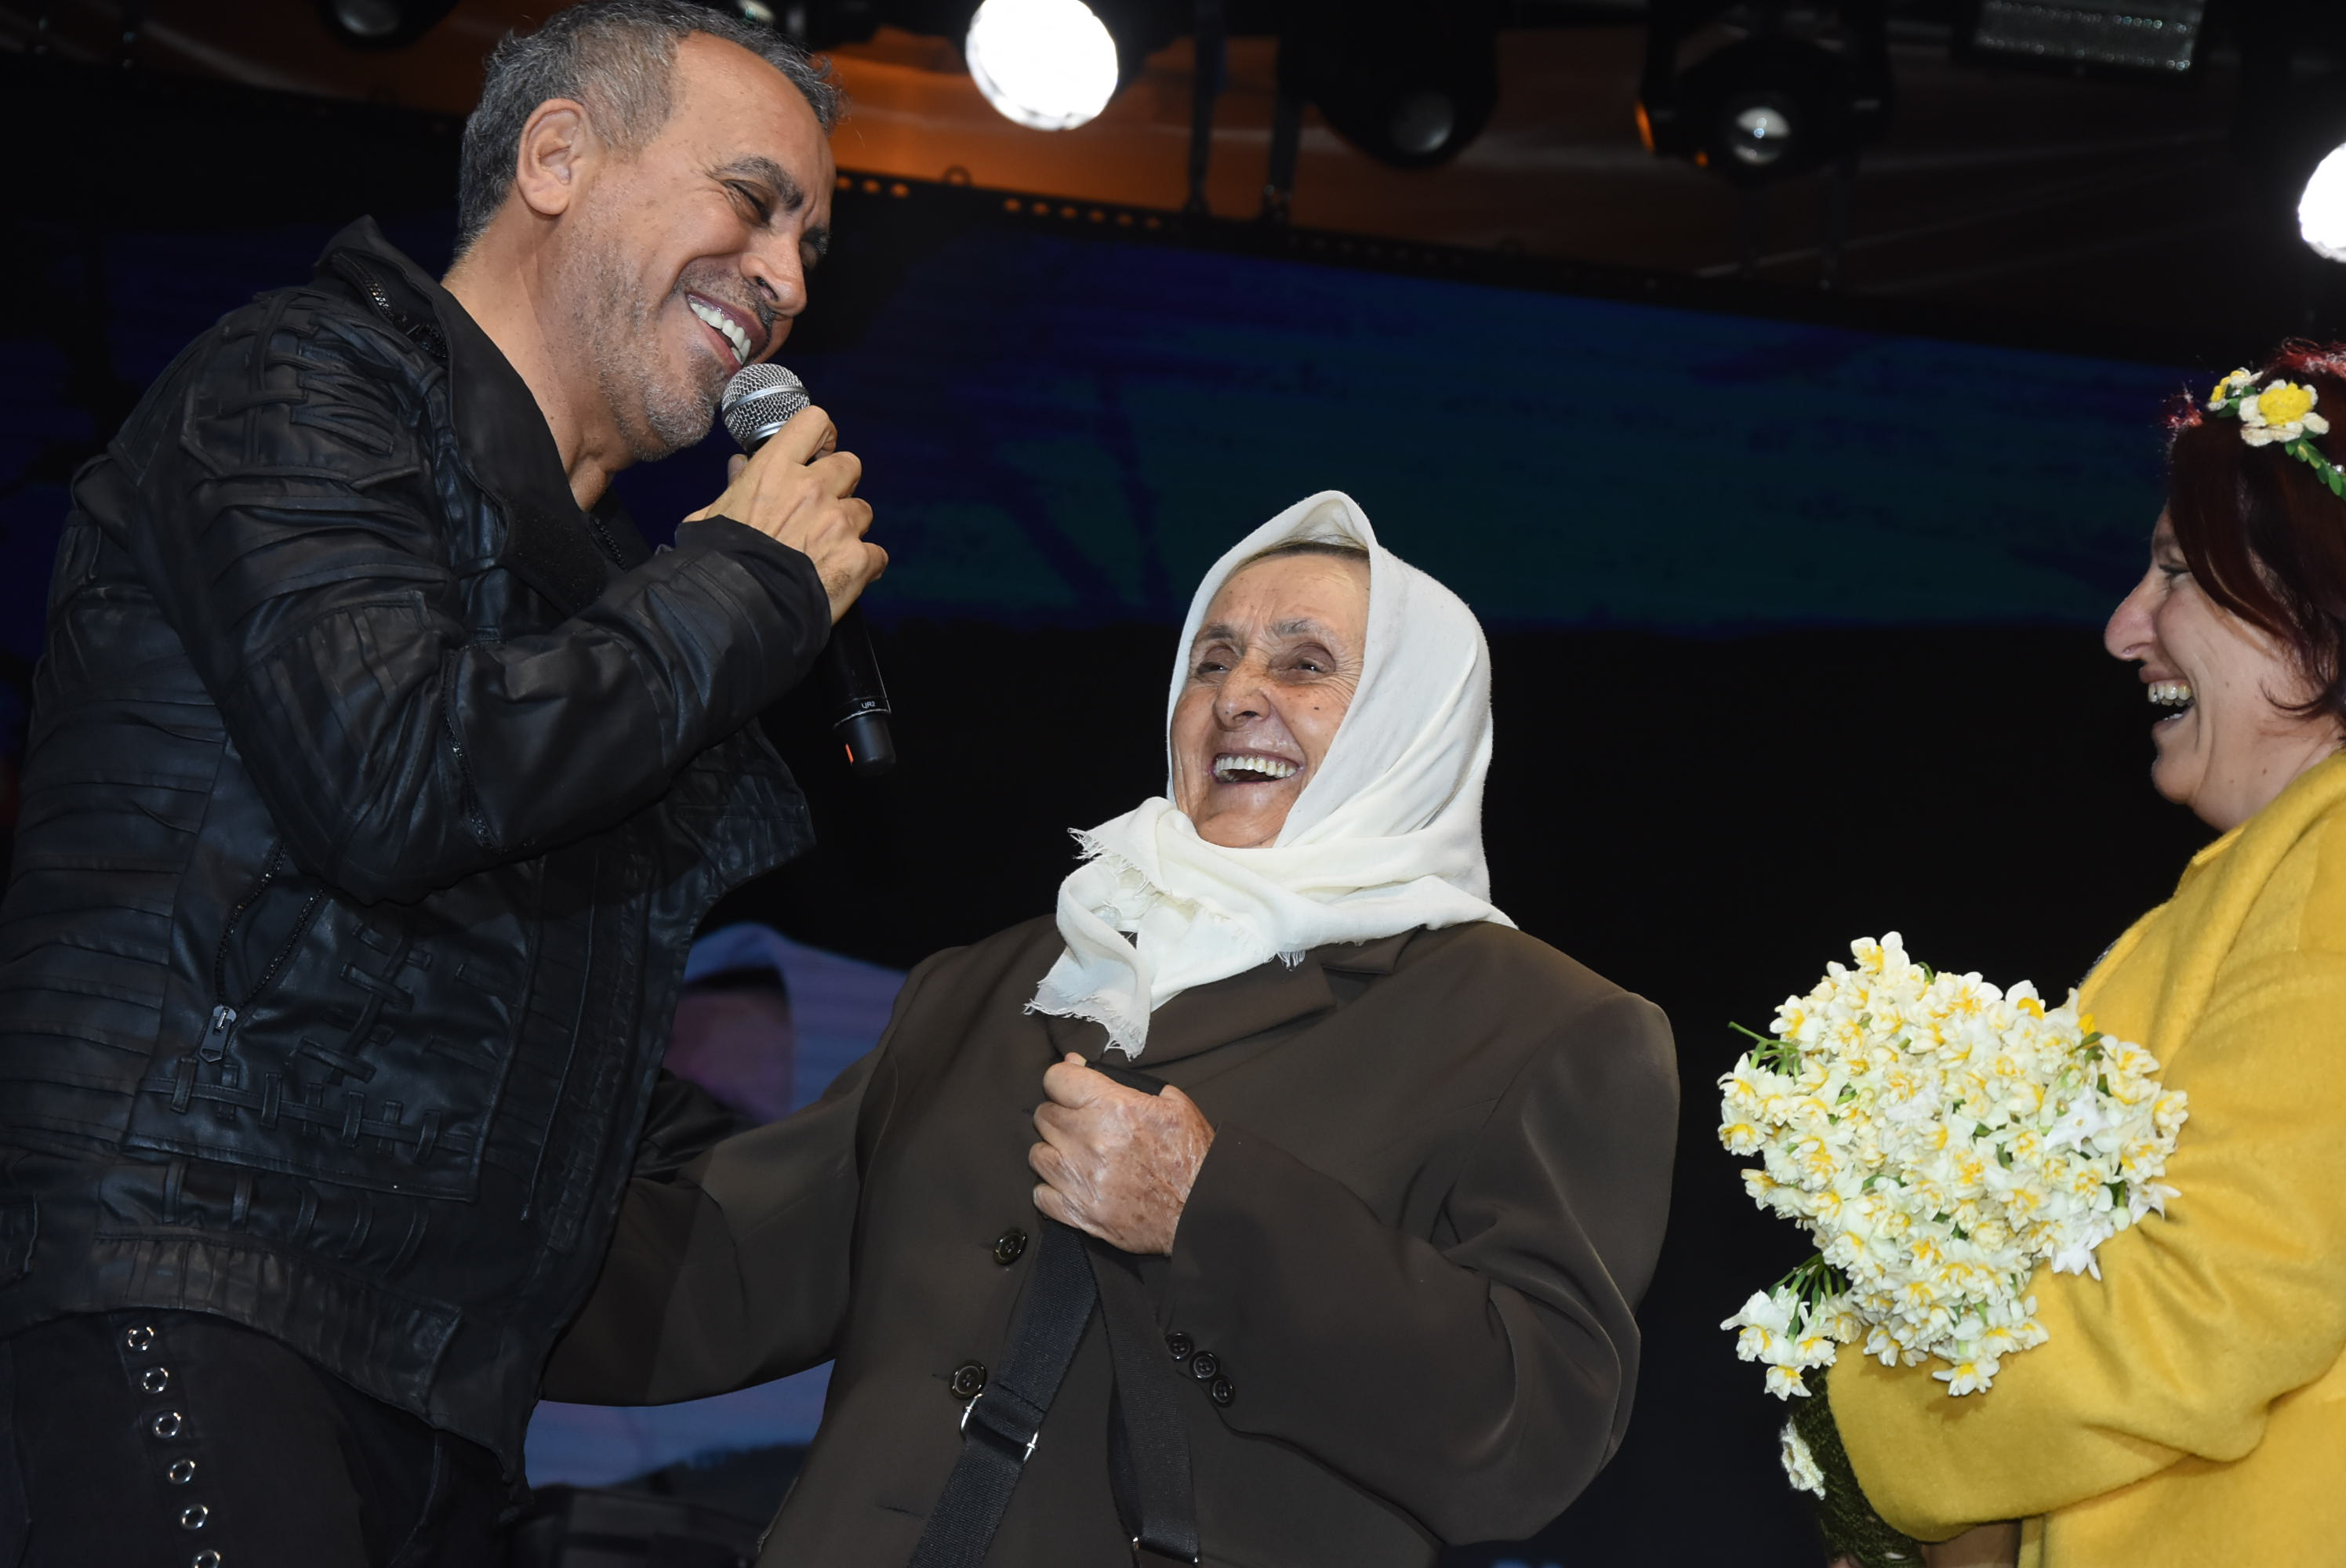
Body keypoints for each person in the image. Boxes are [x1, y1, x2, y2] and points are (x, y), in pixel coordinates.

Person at [0, 3, 881, 1563]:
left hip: (440, 1393)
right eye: (751, 203)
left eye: (807, 242)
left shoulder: (609, 601)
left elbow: (550, 1046)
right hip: (190, 1287)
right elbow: (393, 773)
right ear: (557, 158)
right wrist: (743, 589)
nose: (788, 278)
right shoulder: (298, 386)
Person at [545, 490, 1681, 1567]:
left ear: (1412, 718)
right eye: (1212, 658)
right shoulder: (997, 982)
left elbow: (1531, 1437)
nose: (1238, 695)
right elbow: (721, 1276)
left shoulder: (1542, 1027)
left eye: (1305, 664)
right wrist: (451, 1227)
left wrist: (1209, 1213)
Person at [1798, 345, 2346, 1567]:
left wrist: (1877, 1432)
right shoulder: (2268, 878)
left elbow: (2213, 1309)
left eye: (2177, 572)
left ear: (2320, 602)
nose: (2123, 629)